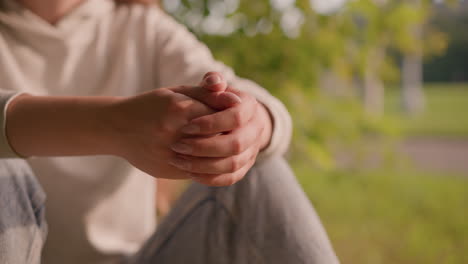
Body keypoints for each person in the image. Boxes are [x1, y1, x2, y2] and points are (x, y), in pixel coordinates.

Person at [0, 0, 340, 263]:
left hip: (140, 257)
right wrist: (117, 125)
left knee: (261, 169)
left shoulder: (144, 29)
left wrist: (252, 122)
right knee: (6, 169)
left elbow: (249, 97)